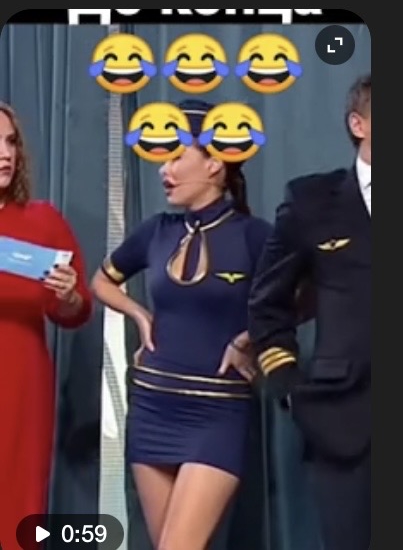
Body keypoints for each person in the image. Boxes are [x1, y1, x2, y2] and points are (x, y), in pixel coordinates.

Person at [91, 99, 274, 550]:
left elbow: (304, 298)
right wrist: (140, 314)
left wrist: (249, 338)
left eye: (176, 156)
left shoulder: (254, 236)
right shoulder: (156, 230)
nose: (163, 170)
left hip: (217, 414)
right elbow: (101, 281)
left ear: (215, 163)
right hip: (152, 408)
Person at [248, 73, 371, 550]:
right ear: (359, 124)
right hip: (346, 423)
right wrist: (290, 387)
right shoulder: (311, 201)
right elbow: (267, 304)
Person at [0, 102, 92, 549]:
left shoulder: (43, 220)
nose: (6, 154)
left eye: (11, 142)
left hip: (20, 383)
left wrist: (69, 296)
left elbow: (74, 311)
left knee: (17, 502)